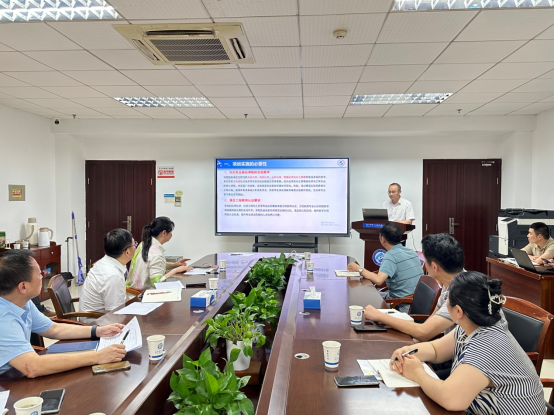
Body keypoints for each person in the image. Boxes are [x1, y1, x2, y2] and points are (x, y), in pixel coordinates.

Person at [389, 272, 545, 415]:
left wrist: (417, 372)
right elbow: (436, 350)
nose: (445, 302)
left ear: (458, 312)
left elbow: (450, 399)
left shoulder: (487, 346)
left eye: (447, 298)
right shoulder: (477, 322)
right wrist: (408, 350)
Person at [0, 250, 127, 378]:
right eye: (39, 274)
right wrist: (98, 356)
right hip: (7, 382)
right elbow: (32, 367)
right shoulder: (4, 320)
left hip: (16, 372)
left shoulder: (22, 302)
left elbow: (53, 329)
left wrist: (98, 331)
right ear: (23, 287)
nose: (42, 277)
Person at [362, 234, 463, 341]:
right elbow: (431, 319)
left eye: (425, 261)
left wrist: (378, 315)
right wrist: (415, 342)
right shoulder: (452, 280)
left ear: (434, 267)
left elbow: (424, 332)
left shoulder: (460, 293)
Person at [347, 222, 422, 313]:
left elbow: (379, 280)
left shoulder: (390, 256)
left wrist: (359, 269)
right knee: (369, 294)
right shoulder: (411, 251)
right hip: (417, 301)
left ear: (382, 239)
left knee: (363, 298)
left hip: (402, 304)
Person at [79, 229, 137, 322]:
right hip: (95, 323)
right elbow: (114, 315)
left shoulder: (108, 262)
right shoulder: (113, 276)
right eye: (134, 245)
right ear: (127, 252)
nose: (136, 248)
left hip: (100, 316)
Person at [128, 217, 192, 291]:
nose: (171, 234)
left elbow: (151, 264)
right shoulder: (156, 253)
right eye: (170, 231)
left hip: (131, 291)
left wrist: (175, 265)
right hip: (142, 294)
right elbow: (157, 283)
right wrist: (175, 270)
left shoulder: (143, 244)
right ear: (164, 233)